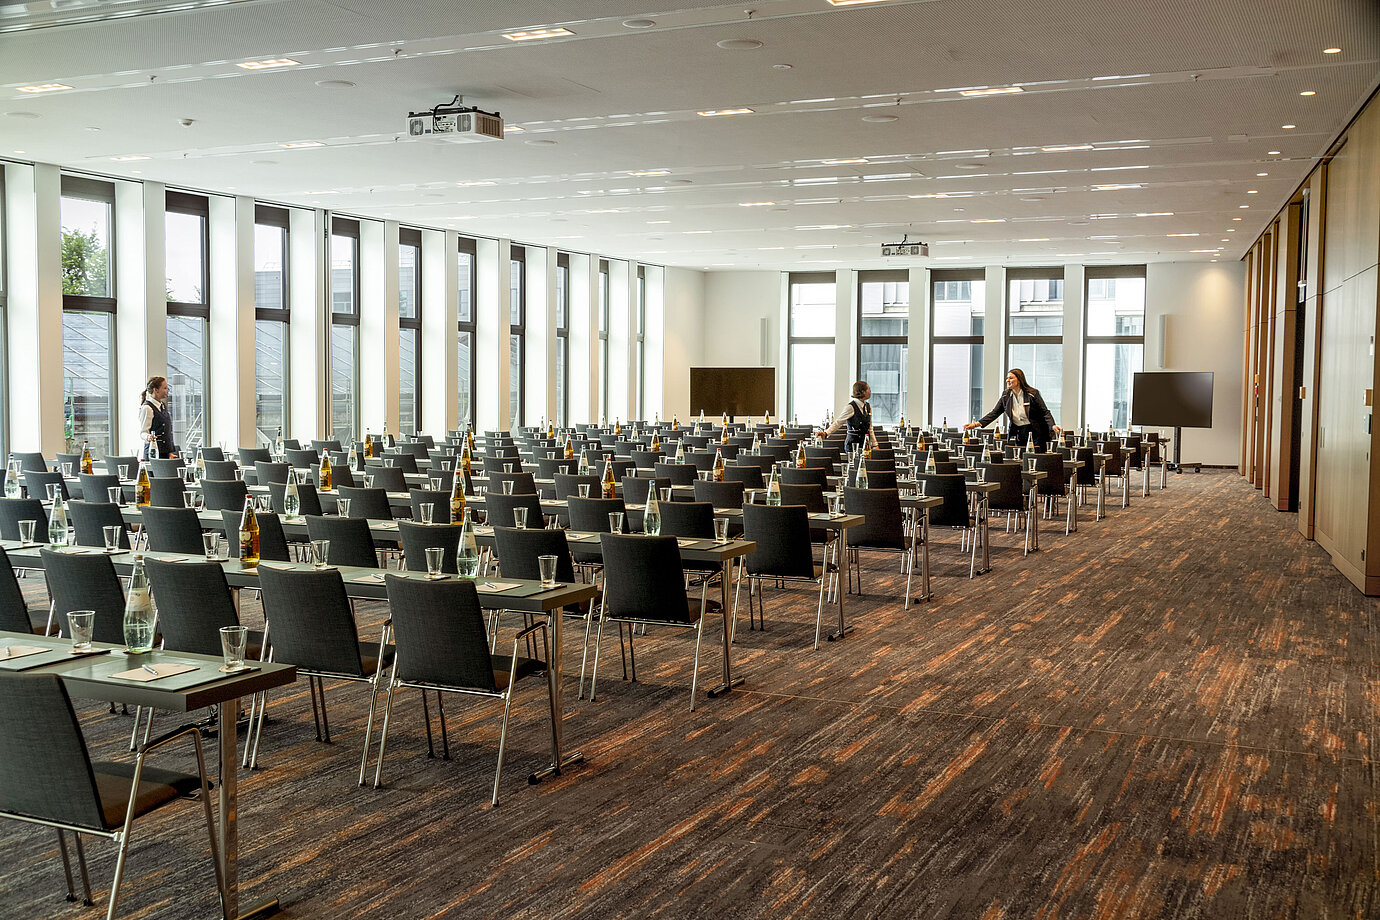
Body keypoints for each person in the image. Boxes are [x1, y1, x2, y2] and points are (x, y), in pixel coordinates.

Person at [965, 368, 1061, 450]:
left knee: (1035, 458)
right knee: (1020, 458)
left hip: (1036, 432)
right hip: (1019, 431)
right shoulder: (1006, 396)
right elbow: (994, 413)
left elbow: (1045, 412)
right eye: (1007, 378)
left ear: (1019, 379)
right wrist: (975, 424)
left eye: (1011, 378)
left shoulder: (1032, 394)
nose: (1007, 380)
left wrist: (1053, 426)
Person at [818, 381, 877, 452]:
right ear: (863, 391)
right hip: (852, 445)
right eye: (868, 389)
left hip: (865, 445)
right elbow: (838, 422)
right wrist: (826, 433)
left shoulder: (867, 406)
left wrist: (874, 444)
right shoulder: (851, 407)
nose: (870, 391)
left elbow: (870, 428)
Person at [136, 375, 176, 459]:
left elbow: (166, 432)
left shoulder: (163, 406)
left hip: (165, 454)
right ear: (156, 390)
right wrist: (148, 436)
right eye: (165, 388)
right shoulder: (147, 408)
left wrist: (169, 453)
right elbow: (143, 432)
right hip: (153, 454)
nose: (167, 390)